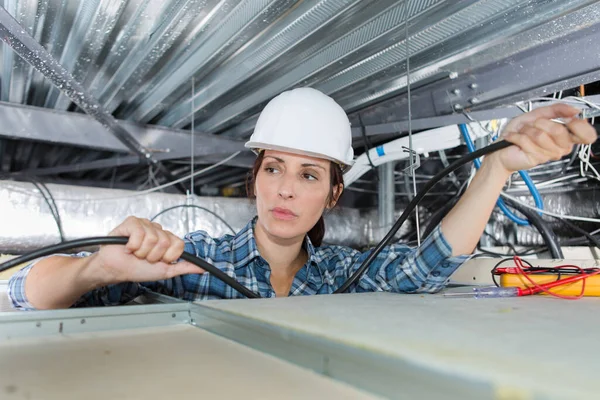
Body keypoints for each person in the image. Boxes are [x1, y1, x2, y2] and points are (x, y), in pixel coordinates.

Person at [8, 88, 597, 310]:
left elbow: (429, 264)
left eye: (311, 175)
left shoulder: (347, 274)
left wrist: (495, 166)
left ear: (334, 193)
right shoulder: (189, 263)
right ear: (256, 179)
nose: (287, 187)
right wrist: (92, 270)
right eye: (275, 169)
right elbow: (20, 295)